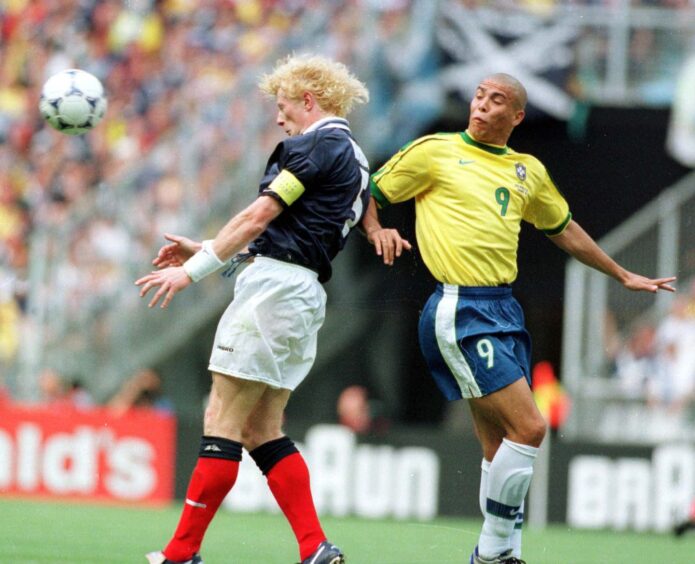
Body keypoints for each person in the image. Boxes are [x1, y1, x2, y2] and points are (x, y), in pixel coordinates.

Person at [361, 73, 676, 564]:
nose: (482, 106)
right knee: (529, 428)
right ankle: (491, 554)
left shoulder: (527, 170)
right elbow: (369, 190)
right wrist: (376, 228)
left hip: (503, 309)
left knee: (500, 445)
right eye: (479, 96)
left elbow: (564, 229)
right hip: (459, 307)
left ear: (517, 116)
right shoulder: (433, 151)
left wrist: (620, 274)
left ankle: (507, 551)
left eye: (497, 100)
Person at [136, 54, 379, 564]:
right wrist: (206, 247)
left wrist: (192, 271)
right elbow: (291, 235)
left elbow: (257, 217)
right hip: (303, 293)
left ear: (308, 101)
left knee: (222, 417)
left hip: (274, 292)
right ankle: (314, 547)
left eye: (283, 105)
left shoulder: (313, 145)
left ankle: (180, 554)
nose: (278, 117)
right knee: (260, 428)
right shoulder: (353, 155)